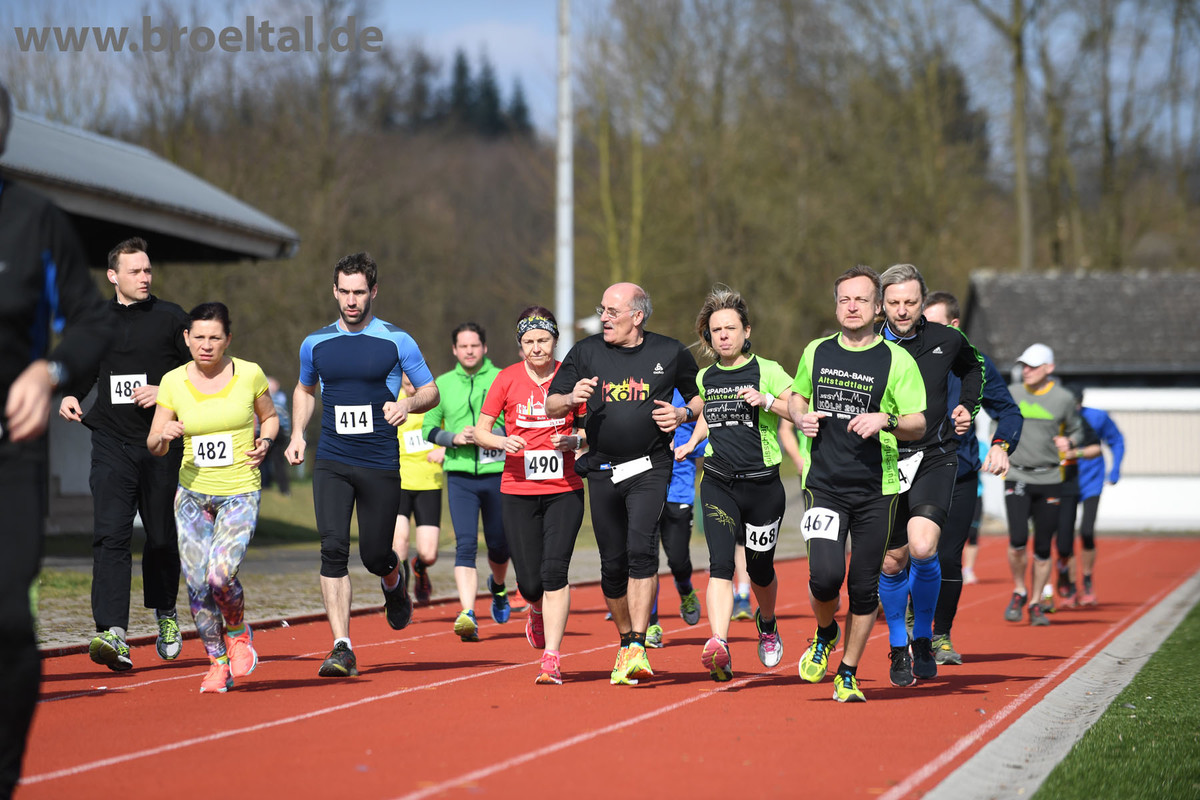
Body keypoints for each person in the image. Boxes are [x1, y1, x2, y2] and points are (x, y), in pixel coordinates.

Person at [0, 80, 112, 797]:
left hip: (11, 450)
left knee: (10, 622)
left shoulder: (36, 221)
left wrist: (49, 370)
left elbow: (91, 321)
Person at [286, 252, 438, 677]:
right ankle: (342, 647)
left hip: (379, 462)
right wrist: (297, 434)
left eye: (359, 292)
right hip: (333, 459)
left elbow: (430, 390)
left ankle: (393, 580)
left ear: (373, 291)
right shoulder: (315, 343)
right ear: (334, 292)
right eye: (344, 292)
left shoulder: (396, 340)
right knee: (332, 549)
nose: (351, 301)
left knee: (374, 555)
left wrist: (407, 404)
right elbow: (304, 390)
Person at [547, 282, 701, 686]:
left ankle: (637, 646)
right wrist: (570, 398)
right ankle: (625, 640)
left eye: (612, 311)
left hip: (650, 467)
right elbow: (551, 403)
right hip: (601, 469)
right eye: (602, 310)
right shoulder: (586, 352)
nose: (604, 318)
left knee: (640, 549)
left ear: (637, 315)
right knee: (612, 565)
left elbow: (698, 397)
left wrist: (683, 415)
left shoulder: (670, 352)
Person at [788, 265, 926, 703]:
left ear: (877, 307)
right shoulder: (816, 351)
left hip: (876, 490)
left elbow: (918, 423)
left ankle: (847, 672)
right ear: (836, 306)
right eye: (844, 300)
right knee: (825, 578)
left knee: (864, 587)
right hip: (823, 484)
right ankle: (825, 632)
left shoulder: (897, 360)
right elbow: (796, 396)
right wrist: (800, 416)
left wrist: (887, 419)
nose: (852, 307)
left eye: (861, 300)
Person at [58, 236, 191, 672]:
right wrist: (71, 395)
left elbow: (200, 371)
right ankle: (112, 631)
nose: (145, 277)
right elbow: (84, 368)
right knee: (110, 535)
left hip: (160, 444)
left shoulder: (171, 317)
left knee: (160, 537)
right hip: (111, 442)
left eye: (148, 270)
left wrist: (164, 391)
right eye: (135, 271)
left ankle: (165, 612)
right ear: (113, 276)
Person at [147, 302, 279, 692]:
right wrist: (163, 436)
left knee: (220, 576)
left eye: (215, 338)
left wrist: (266, 440)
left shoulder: (249, 373)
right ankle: (217, 661)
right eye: (199, 337)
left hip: (239, 491)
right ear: (187, 338)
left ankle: (237, 632)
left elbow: (270, 417)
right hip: (192, 496)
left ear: (228, 339)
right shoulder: (172, 381)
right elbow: (153, 442)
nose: (206, 345)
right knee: (196, 583)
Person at [675, 286, 794, 682]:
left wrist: (767, 401)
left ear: (746, 331)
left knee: (759, 569)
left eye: (730, 328)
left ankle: (768, 622)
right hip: (718, 481)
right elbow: (709, 414)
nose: (723, 335)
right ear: (708, 337)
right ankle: (719, 644)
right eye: (716, 330)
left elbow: (800, 408)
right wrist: (691, 442)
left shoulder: (769, 370)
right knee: (721, 564)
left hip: (762, 486)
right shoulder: (705, 376)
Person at [874, 264, 984, 686]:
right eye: (894, 303)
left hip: (934, 456)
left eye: (911, 302)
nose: (902, 310)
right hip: (884, 460)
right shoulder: (866, 345)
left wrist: (966, 406)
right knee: (891, 560)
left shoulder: (947, 339)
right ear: (882, 304)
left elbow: (974, 368)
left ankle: (923, 636)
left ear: (923, 301)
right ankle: (897, 644)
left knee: (922, 547)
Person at [473, 307, 586, 684]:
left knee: (554, 572)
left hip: (564, 489)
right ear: (520, 345)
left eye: (543, 340)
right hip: (518, 489)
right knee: (530, 583)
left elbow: (592, 431)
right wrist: (501, 441)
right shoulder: (506, 379)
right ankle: (535, 610)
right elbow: (480, 430)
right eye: (529, 341)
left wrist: (575, 441)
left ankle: (551, 657)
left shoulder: (571, 379)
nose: (537, 347)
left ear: (555, 340)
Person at [922, 292, 1021, 665]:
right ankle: (911, 628)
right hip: (910, 472)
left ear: (954, 326)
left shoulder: (976, 363)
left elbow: (1008, 411)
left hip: (959, 473)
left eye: (934, 326)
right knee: (908, 555)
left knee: (948, 557)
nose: (925, 332)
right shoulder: (904, 356)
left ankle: (940, 636)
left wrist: (1001, 445)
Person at [422, 322, 513, 641]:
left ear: (484, 348)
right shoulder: (443, 384)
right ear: (454, 350)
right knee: (466, 544)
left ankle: (498, 587)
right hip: (460, 475)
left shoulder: (503, 378)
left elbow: (518, 423)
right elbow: (428, 428)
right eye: (463, 346)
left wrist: (488, 435)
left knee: (499, 545)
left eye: (475, 345)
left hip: (498, 473)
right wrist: (454, 438)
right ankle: (468, 613)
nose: (469, 351)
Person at [1002, 342, 1084, 627]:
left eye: (1033, 366)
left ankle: (1036, 601)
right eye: (1023, 365)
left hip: (1050, 478)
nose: (1026, 371)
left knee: (1042, 548)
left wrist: (1070, 441)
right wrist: (998, 446)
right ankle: (1019, 590)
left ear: (1049, 368)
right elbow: (997, 423)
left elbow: (1077, 429)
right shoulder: (1012, 393)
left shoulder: (1063, 399)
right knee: (1017, 541)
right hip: (1017, 475)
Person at [645, 388, 705, 649]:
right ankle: (651, 624)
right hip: (646, 490)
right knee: (646, 561)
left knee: (678, 560)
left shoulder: (690, 397)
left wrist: (686, 447)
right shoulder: (643, 390)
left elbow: (707, 439)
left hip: (679, 492)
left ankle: (685, 588)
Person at [1047, 386, 1101, 610]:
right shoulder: (1044, 416)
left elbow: (1097, 447)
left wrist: (1074, 453)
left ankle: (1083, 581)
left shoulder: (1079, 421)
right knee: (1049, 539)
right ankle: (1062, 582)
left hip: (1071, 484)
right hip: (1044, 482)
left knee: (1070, 539)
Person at [394, 373, 445, 606]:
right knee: (399, 543)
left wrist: (446, 450)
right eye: (406, 382)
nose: (411, 387)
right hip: (399, 481)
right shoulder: (392, 400)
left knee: (429, 554)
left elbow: (454, 430)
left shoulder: (435, 400)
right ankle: (401, 597)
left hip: (429, 482)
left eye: (415, 382)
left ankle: (420, 568)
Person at [1069, 399, 1124, 605]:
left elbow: (1116, 440)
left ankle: (1087, 580)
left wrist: (1115, 468)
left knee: (1087, 531)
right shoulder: (1058, 413)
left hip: (1092, 481)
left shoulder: (1097, 417)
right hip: (1066, 481)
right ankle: (1070, 585)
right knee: (1065, 536)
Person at [259, 376, 292, 495]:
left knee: (265, 459)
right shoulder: (281, 399)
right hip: (278, 431)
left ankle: (265, 485)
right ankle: (282, 489)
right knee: (276, 461)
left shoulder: (267, 399)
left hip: (274, 431)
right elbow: (286, 417)